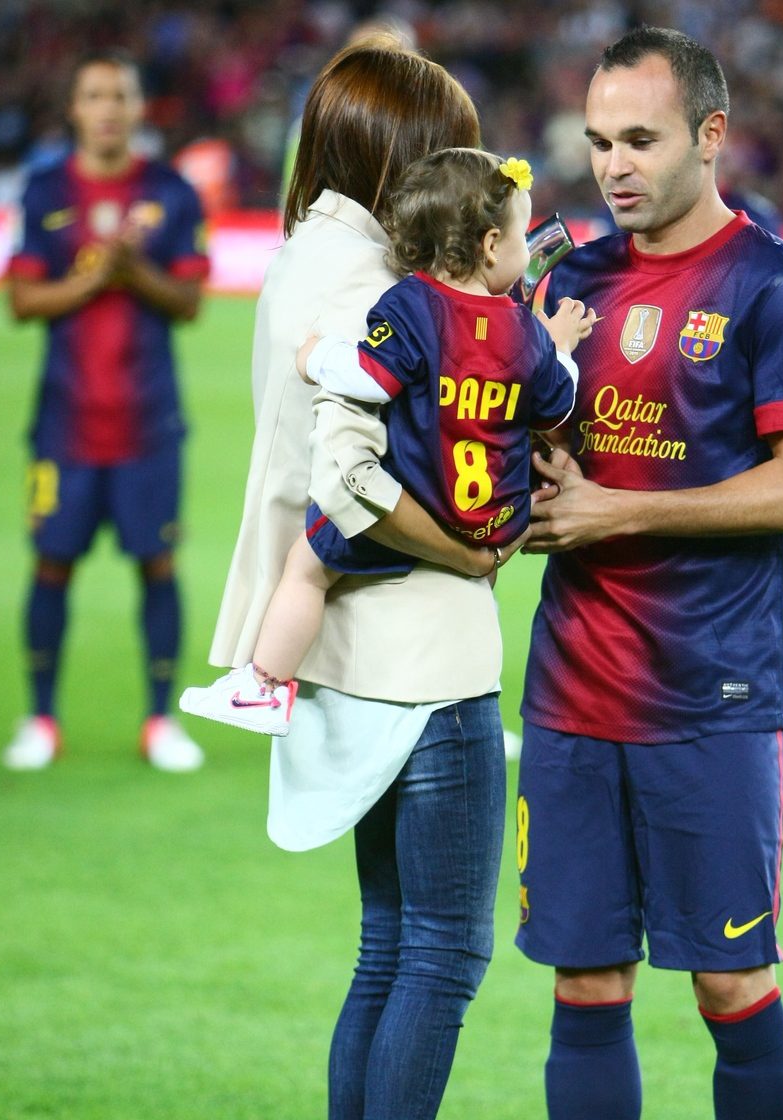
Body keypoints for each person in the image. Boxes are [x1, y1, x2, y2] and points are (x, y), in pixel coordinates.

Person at [496, 25, 783, 1120]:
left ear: (710, 133)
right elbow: (520, 452)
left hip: (711, 698)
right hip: (573, 693)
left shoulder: (778, 287)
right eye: (597, 141)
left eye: (640, 139)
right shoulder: (564, 278)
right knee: (584, 984)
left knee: (728, 984)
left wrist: (615, 512)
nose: (614, 166)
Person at [205, 37, 516, 1120]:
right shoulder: (366, 284)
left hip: (354, 656)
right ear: (391, 149)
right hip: (414, 661)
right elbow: (357, 469)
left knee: (392, 953)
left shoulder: (307, 258)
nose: (455, 166)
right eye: (440, 140)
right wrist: (462, 548)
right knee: (440, 956)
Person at [179, 148, 592, 735]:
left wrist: (314, 355)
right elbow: (557, 403)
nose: (529, 253)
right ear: (493, 247)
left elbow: (372, 377)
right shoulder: (524, 331)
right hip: (496, 520)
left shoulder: (413, 304)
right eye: (525, 237)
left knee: (308, 564)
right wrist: (563, 350)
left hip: (424, 507)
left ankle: (265, 685)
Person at [2, 51, 208, 773]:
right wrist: (97, 276)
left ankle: (159, 722)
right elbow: (22, 301)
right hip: (64, 426)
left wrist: (132, 270)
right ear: (74, 109)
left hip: (149, 424)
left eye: (120, 94)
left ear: (139, 106)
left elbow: (187, 301)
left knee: (158, 564)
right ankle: (41, 717)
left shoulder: (172, 191)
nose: (109, 107)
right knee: (51, 566)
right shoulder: (44, 188)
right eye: (94, 95)